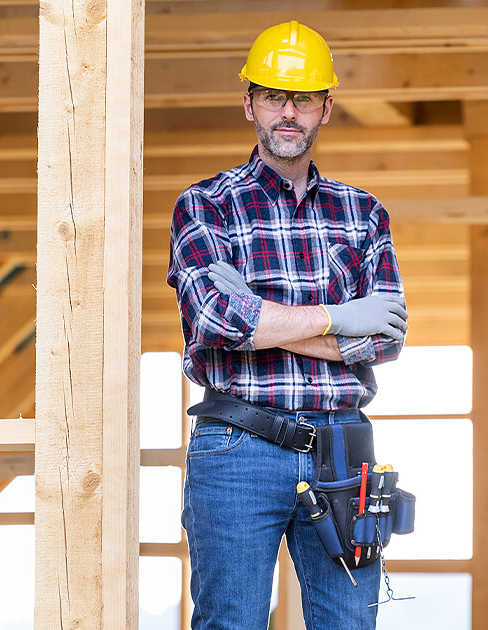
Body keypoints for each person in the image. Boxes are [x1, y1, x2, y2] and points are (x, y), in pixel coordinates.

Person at [167, 21, 407, 630]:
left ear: (325, 107)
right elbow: (217, 319)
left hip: (343, 451)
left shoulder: (363, 212)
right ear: (249, 102)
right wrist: (340, 318)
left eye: (302, 99)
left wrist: (261, 314)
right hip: (237, 448)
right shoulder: (205, 206)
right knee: (230, 623)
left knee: (351, 625)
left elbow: (384, 339)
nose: (288, 113)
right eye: (275, 96)